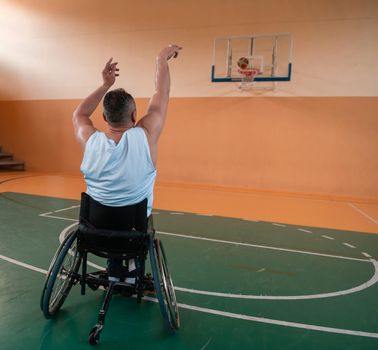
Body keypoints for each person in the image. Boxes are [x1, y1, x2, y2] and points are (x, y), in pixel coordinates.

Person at [72, 45, 182, 282]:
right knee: (137, 218)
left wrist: (105, 85)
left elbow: (79, 115)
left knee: (112, 211)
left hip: (95, 228)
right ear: (134, 116)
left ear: (103, 118)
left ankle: (115, 272)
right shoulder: (146, 134)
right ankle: (132, 272)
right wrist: (161, 58)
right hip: (134, 228)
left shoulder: (90, 141)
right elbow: (161, 93)